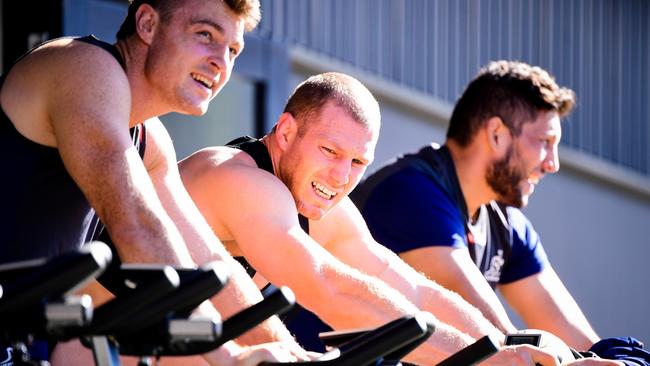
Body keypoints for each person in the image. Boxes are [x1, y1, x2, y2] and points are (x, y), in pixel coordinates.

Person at [179, 71, 569, 365]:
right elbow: (330, 289)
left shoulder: (317, 203)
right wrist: (480, 360)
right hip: (125, 337)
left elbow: (413, 291)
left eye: (357, 162)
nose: (341, 177)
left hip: (173, 339)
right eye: (329, 150)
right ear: (285, 132)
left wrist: (506, 347)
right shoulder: (239, 181)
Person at [0, 0, 307, 365]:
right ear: (147, 23)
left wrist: (292, 355)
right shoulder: (82, 67)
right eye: (205, 35)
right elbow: (137, 227)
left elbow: (205, 260)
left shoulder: (150, 140)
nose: (221, 63)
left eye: (233, 50)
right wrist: (228, 356)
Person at [350, 60, 631, 364]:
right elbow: (497, 342)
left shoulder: (507, 224)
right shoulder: (411, 193)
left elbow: (580, 339)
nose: (553, 163)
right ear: (497, 134)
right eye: (545, 143)